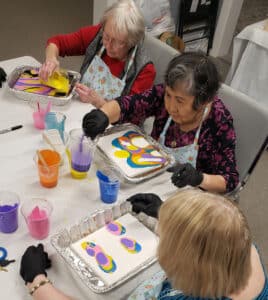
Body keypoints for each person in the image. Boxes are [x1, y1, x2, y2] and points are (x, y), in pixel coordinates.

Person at [20, 190, 268, 299]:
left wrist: (38, 283)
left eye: (166, 242)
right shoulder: (245, 249)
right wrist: (170, 214)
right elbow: (213, 233)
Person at [82, 52, 239, 193]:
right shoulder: (162, 94)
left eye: (180, 101)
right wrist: (103, 114)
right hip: (151, 175)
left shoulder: (219, 121)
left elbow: (230, 180)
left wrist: (198, 178)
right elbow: (129, 105)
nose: (171, 106)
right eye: (169, 95)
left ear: (203, 102)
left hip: (188, 197)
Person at [127, 189, 268, 299]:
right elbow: (210, 231)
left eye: (163, 238)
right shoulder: (244, 247)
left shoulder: (185, 294)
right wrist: (169, 214)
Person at [39, 0, 156, 108]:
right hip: (81, 110)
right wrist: (51, 59)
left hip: (113, 125)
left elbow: (131, 117)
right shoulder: (97, 35)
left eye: (117, 42)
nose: (108, 45)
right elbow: (56, 42)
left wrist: (98, 102)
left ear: (132, 42)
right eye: (106, 36)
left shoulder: (144, 70)